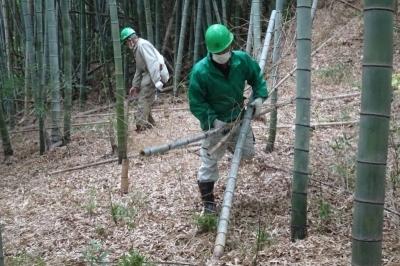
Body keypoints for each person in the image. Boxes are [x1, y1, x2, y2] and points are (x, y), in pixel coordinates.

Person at [188, 24, 268, 215]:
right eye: (221, 50)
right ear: (212, 51)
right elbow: (196, 102)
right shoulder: (200, 71)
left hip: (239, 117)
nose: (225, 53)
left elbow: (257, 77)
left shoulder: (241, 60)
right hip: (215, 125)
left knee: (248, 154)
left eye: (227, 48)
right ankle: (208, 203)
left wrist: (258, 98)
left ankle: (234, 145)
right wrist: (213, 121)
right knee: (209, 161)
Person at [120, 27, 169, 132]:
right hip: (149, 74)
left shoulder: (142, 45)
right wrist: (135, 85)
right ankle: (150, 123)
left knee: (144, 98)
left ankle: (141, 126)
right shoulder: (137, 48)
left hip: (155, 73)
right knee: (145, 98)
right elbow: (139, 69)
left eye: (125, 43)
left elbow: (153, 64)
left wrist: (157, 81)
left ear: (129, 40)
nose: (126, 45)